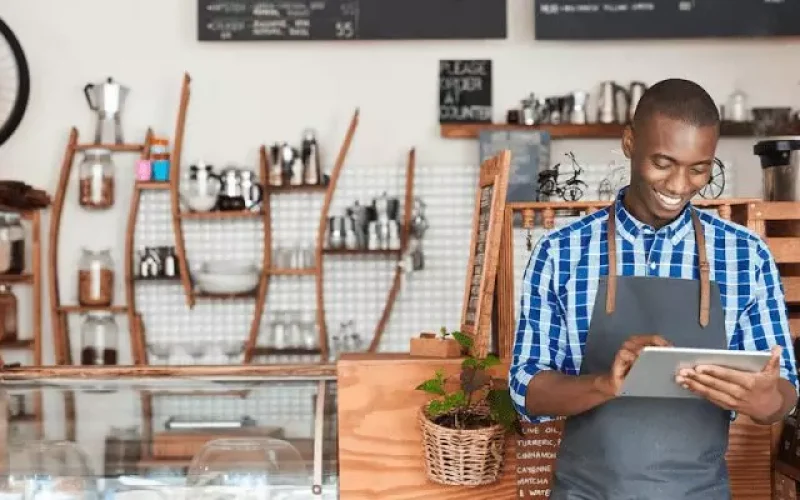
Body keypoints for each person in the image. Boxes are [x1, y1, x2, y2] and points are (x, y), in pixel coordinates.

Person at [509, 78, 799, 500]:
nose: (680, 185)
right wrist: (604, 384)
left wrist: (766, 400)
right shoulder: (561, 252)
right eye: (663, 162)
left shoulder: (745, 255)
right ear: (629, 142)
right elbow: (525, 389)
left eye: (699, 169)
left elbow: (786, 392)